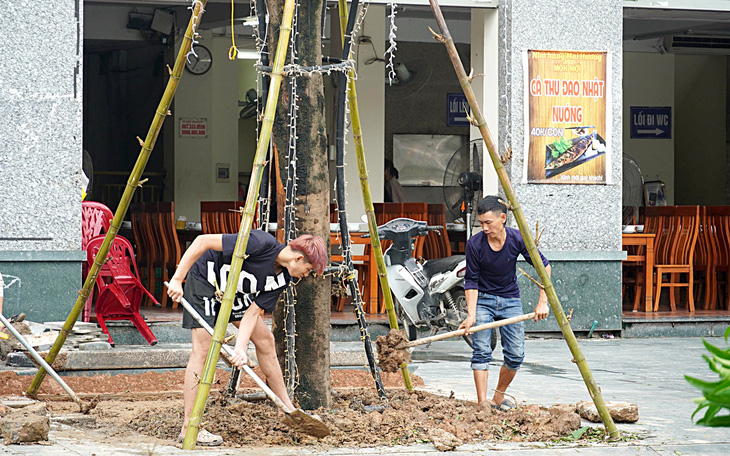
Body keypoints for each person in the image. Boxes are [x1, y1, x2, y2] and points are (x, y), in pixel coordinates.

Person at [166, 230, 327, 446]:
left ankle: (286, 409)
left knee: (265, 340)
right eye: (308, 270)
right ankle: (189, 426)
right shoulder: (260, 243)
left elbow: (252, 313)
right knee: (202, 350)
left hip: (235, 293)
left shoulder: (282, 279)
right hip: (207, 282)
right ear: (298, 258)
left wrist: (240, 349)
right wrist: (178, 280)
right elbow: (202, 241)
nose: (306, 276)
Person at [459, 195, 550, 411]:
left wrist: (542, 302)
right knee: (481, 351)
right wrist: (471, 315)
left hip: (510, 299)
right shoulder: (475, 244)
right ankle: (483, 405)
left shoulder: (517, 239)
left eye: (488, 222)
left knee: (516, 354)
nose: (484, 228)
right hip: (483, 300)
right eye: (481, 223)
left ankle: (497, 398)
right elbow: (471, 281)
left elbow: (543, 266)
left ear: (502, 218)